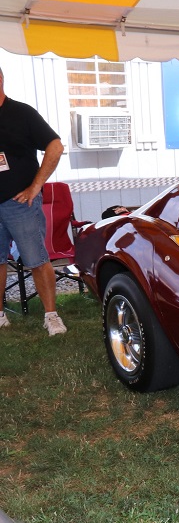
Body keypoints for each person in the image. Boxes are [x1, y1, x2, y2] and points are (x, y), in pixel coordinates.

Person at [0, 65, 66, 335]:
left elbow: (55, 145)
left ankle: (51, 316)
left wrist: (35, 186)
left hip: (20, 203)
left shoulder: (22, 113)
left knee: (36, 259)